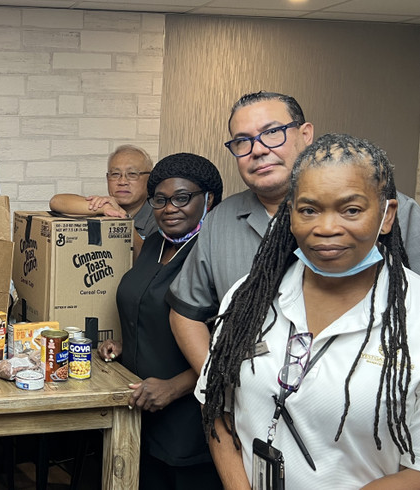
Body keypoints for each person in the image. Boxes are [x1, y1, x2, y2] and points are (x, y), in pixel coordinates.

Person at [198, 133, 420, 488]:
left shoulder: (413, 313)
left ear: (387, 215)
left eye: (351, 210)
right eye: (309, 210)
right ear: (290, 215)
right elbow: (215, 408)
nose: (326, 228)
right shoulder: (248, 298)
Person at [167, 91, 420, 375]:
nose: (258, 150)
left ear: (306, 134)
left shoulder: (394, 212)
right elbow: (186, 313)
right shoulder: (220, 220)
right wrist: (216, 386)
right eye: (243, 141)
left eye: (272, 132)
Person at [98, 153, 223, 490]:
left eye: (182, 198)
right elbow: (145, 306)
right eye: (160, 199)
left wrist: (173, 387)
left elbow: (228, 347)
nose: (170, 208)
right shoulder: (154, 243)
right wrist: (126, 345)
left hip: (186, 421)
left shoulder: (212, 255)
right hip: (140, 412)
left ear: (209, 200)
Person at [50, 144, 159, 247]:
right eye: (115, 174)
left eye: (132, 174)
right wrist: (104, 207)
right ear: (107, 179)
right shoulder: (106, 208)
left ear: (149, 178)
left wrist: (124, 220)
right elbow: (57, 202)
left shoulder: (160, 218)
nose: (122, 181)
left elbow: (150, 259)